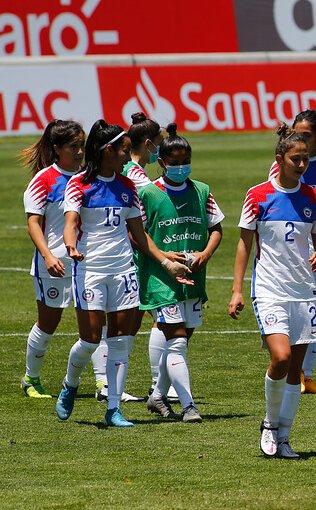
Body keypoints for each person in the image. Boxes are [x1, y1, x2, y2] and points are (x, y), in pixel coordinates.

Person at [56, 120, 190, 427]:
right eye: (124, 151)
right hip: (89, 269)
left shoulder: (128, 186)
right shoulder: (79, 184)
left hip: (123, 270)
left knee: (120, 341)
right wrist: (70, 244)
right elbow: (70, 220)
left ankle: (114, 409)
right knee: (90, 340)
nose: (128, 157)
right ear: (108, 151)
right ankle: (70, 382)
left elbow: (139, 237)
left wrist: (167, 263)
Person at [229, 126, 316, 458]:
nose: (301, 165)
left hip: (304, 292)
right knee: (281, 358)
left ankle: (284, 437)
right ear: (279, 158)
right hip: (270, 289)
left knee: (296, 370)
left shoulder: (313, 198)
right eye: (295, 159)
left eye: (305, 159)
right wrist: (237, 290)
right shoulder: (257, 195)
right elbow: (244, 244)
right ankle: (270, 425)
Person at [142, 124, 224, 423]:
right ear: (162, 162)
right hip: (161, 279)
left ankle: (157, 396)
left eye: (185, 161)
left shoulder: (202, 191)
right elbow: (139, 234)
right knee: (176, 339)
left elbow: (216, 229)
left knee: (183, 339)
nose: (180, 167)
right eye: (174, 163)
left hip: (193, 277)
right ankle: (189, 406)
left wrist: (205, 254)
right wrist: (164, 258)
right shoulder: (148, 193)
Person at [268, 110, 316, 394]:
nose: (300, 139)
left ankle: (306, 375)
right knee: (292, 312)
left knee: (313, 313)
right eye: (296, 133)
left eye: (307, 135)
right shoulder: (283, 163)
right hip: (290, 253)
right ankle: (289, 371)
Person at [94, 111, 164, 403]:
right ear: (148, 144)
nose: (162, 146)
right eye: (160, 142)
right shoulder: (134, 175)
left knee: (129, 323)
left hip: (133, 252)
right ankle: (112, 384)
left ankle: (112, 384)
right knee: (131, 322)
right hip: (131, 255)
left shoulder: (138, 173)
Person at [20, 120, 84, 398]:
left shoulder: (88, 176)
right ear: (57, 149)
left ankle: (103, 384)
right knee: (49, 322)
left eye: (82, 145)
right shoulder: (44, 179)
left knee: (96, 323)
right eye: (74, 146)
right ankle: (31, 379)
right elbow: (34, 223)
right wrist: (47, 256)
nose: (81, 151)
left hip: (86, 262)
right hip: (54, 264)